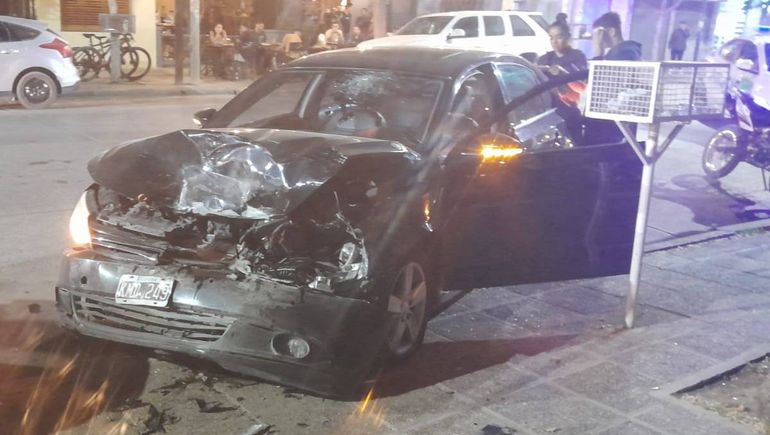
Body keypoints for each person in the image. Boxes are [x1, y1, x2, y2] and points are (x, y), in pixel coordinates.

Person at [584, 12, 643, 145]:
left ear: (611, 31)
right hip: (611, 119)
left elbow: (598, 84)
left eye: (598, 34)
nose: (596, 39)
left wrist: (598, 54)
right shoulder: (621, 51)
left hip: (611, 122)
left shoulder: (624, 53)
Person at [538, 22, 587, 142]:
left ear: (568, 37)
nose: (554, 41)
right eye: (551, 37)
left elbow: (581, 87)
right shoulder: (545, 58)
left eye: (559, 37)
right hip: (548, 112)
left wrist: (562, 73)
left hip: (569, 112)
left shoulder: (577, 57)